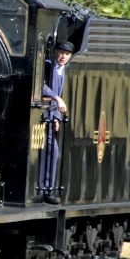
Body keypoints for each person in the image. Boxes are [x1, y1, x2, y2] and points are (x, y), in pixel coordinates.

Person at [39, 41, 74, 204]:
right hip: (43, 114)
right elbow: (41, 86)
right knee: (51, 150)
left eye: (67, 54)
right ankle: (46, 189)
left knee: (53, 151)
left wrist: (56, 118)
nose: (63, 57)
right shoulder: (48, 66)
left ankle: (48, 189)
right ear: (55, 53)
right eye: (61, 53)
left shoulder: (62, 70)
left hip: (51, 116)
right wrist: (57, 98)